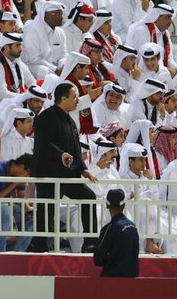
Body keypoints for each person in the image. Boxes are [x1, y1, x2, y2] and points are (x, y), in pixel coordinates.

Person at [33, 80, 99, 252]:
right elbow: (44, 143)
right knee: (46, 210)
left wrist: (83, 168)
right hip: (49, 174)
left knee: (89, 197)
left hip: (68, 175)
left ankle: (90, 241)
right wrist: (60, 154)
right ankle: (41, 246)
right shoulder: (46, 117)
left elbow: (75, 148)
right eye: (74, 97)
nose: (77, 100)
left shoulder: (69, 120)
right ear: (63, 98)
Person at [94, 188, 140, 277]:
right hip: (132, 281)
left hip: (112, 282)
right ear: (124, 205)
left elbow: (98, 260)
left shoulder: (109, 229)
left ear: (107, 205)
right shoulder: (133, 227)